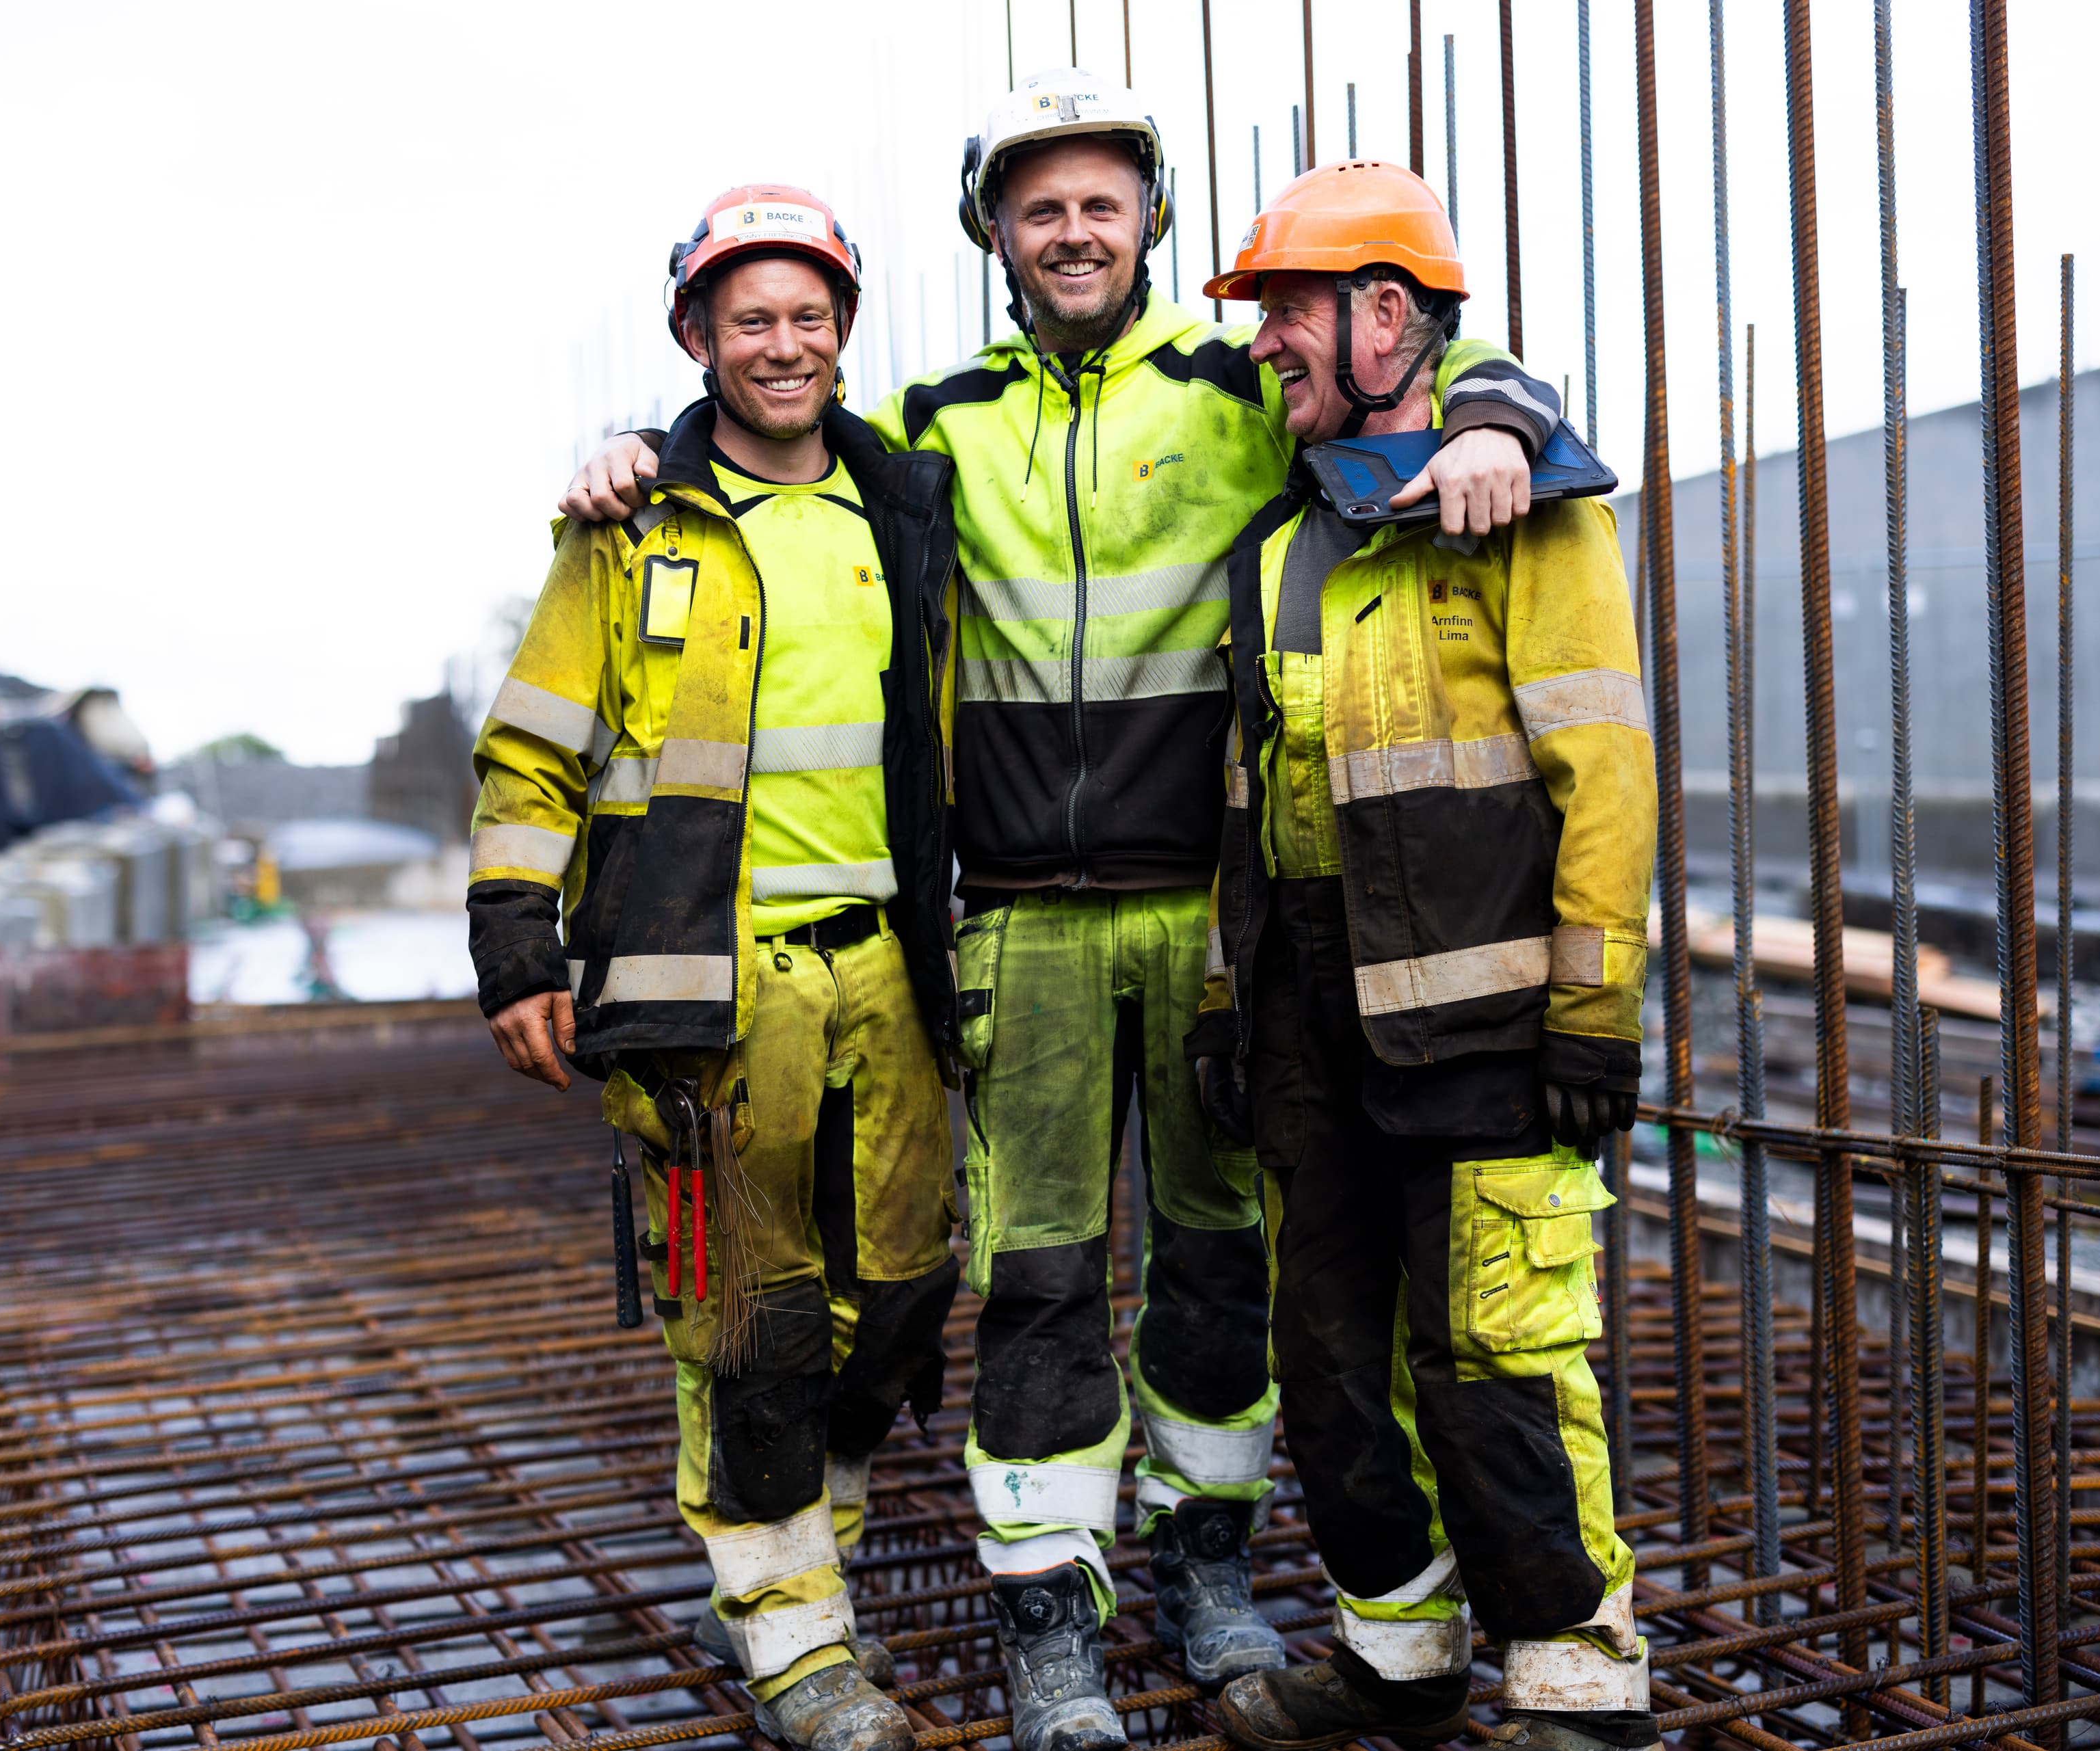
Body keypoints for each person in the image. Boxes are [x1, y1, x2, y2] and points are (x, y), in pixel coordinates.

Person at [560, 72, 1565, 1751]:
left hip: (1211, 926)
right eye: (1042, 209)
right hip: (1018, 924)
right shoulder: (936, 428)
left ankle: (1213, 1571)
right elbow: (759, 447)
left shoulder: (1241, 387)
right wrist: (628, 456)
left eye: (1103, 202)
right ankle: (1049, 1625)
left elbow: (1420, 360)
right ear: (997, 238)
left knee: (1217, 1270)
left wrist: (1499, 421)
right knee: (1036, 1278)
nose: (1075, 231)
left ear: (1149, 222)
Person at [468, 185, 966, 1751]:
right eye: (750, 317)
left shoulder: (900, 502)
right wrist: (514, 952)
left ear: (844, 333)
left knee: (896, 1297)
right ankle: (797, 1638)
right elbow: (535, 757)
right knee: (744, 1317)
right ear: (697, 338)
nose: (784, 343)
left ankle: (792, 1563)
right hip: (704, 992)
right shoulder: (629, 534)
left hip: (885, 962)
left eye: (809, 315)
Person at [1186, 161, 1656, 1751]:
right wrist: (1220, 998)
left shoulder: (1534, 508)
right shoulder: (1281, 542)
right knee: (1327, 1364)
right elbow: (1251, 802)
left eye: (1285, 314)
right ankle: (1402, 1658)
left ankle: (1580, 1693)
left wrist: (1594, 1013)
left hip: (1484, 1021)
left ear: (1385, 316)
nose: (1263, 348)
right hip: (1314, 1028)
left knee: (1497, 1368)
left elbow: (1604, 771)